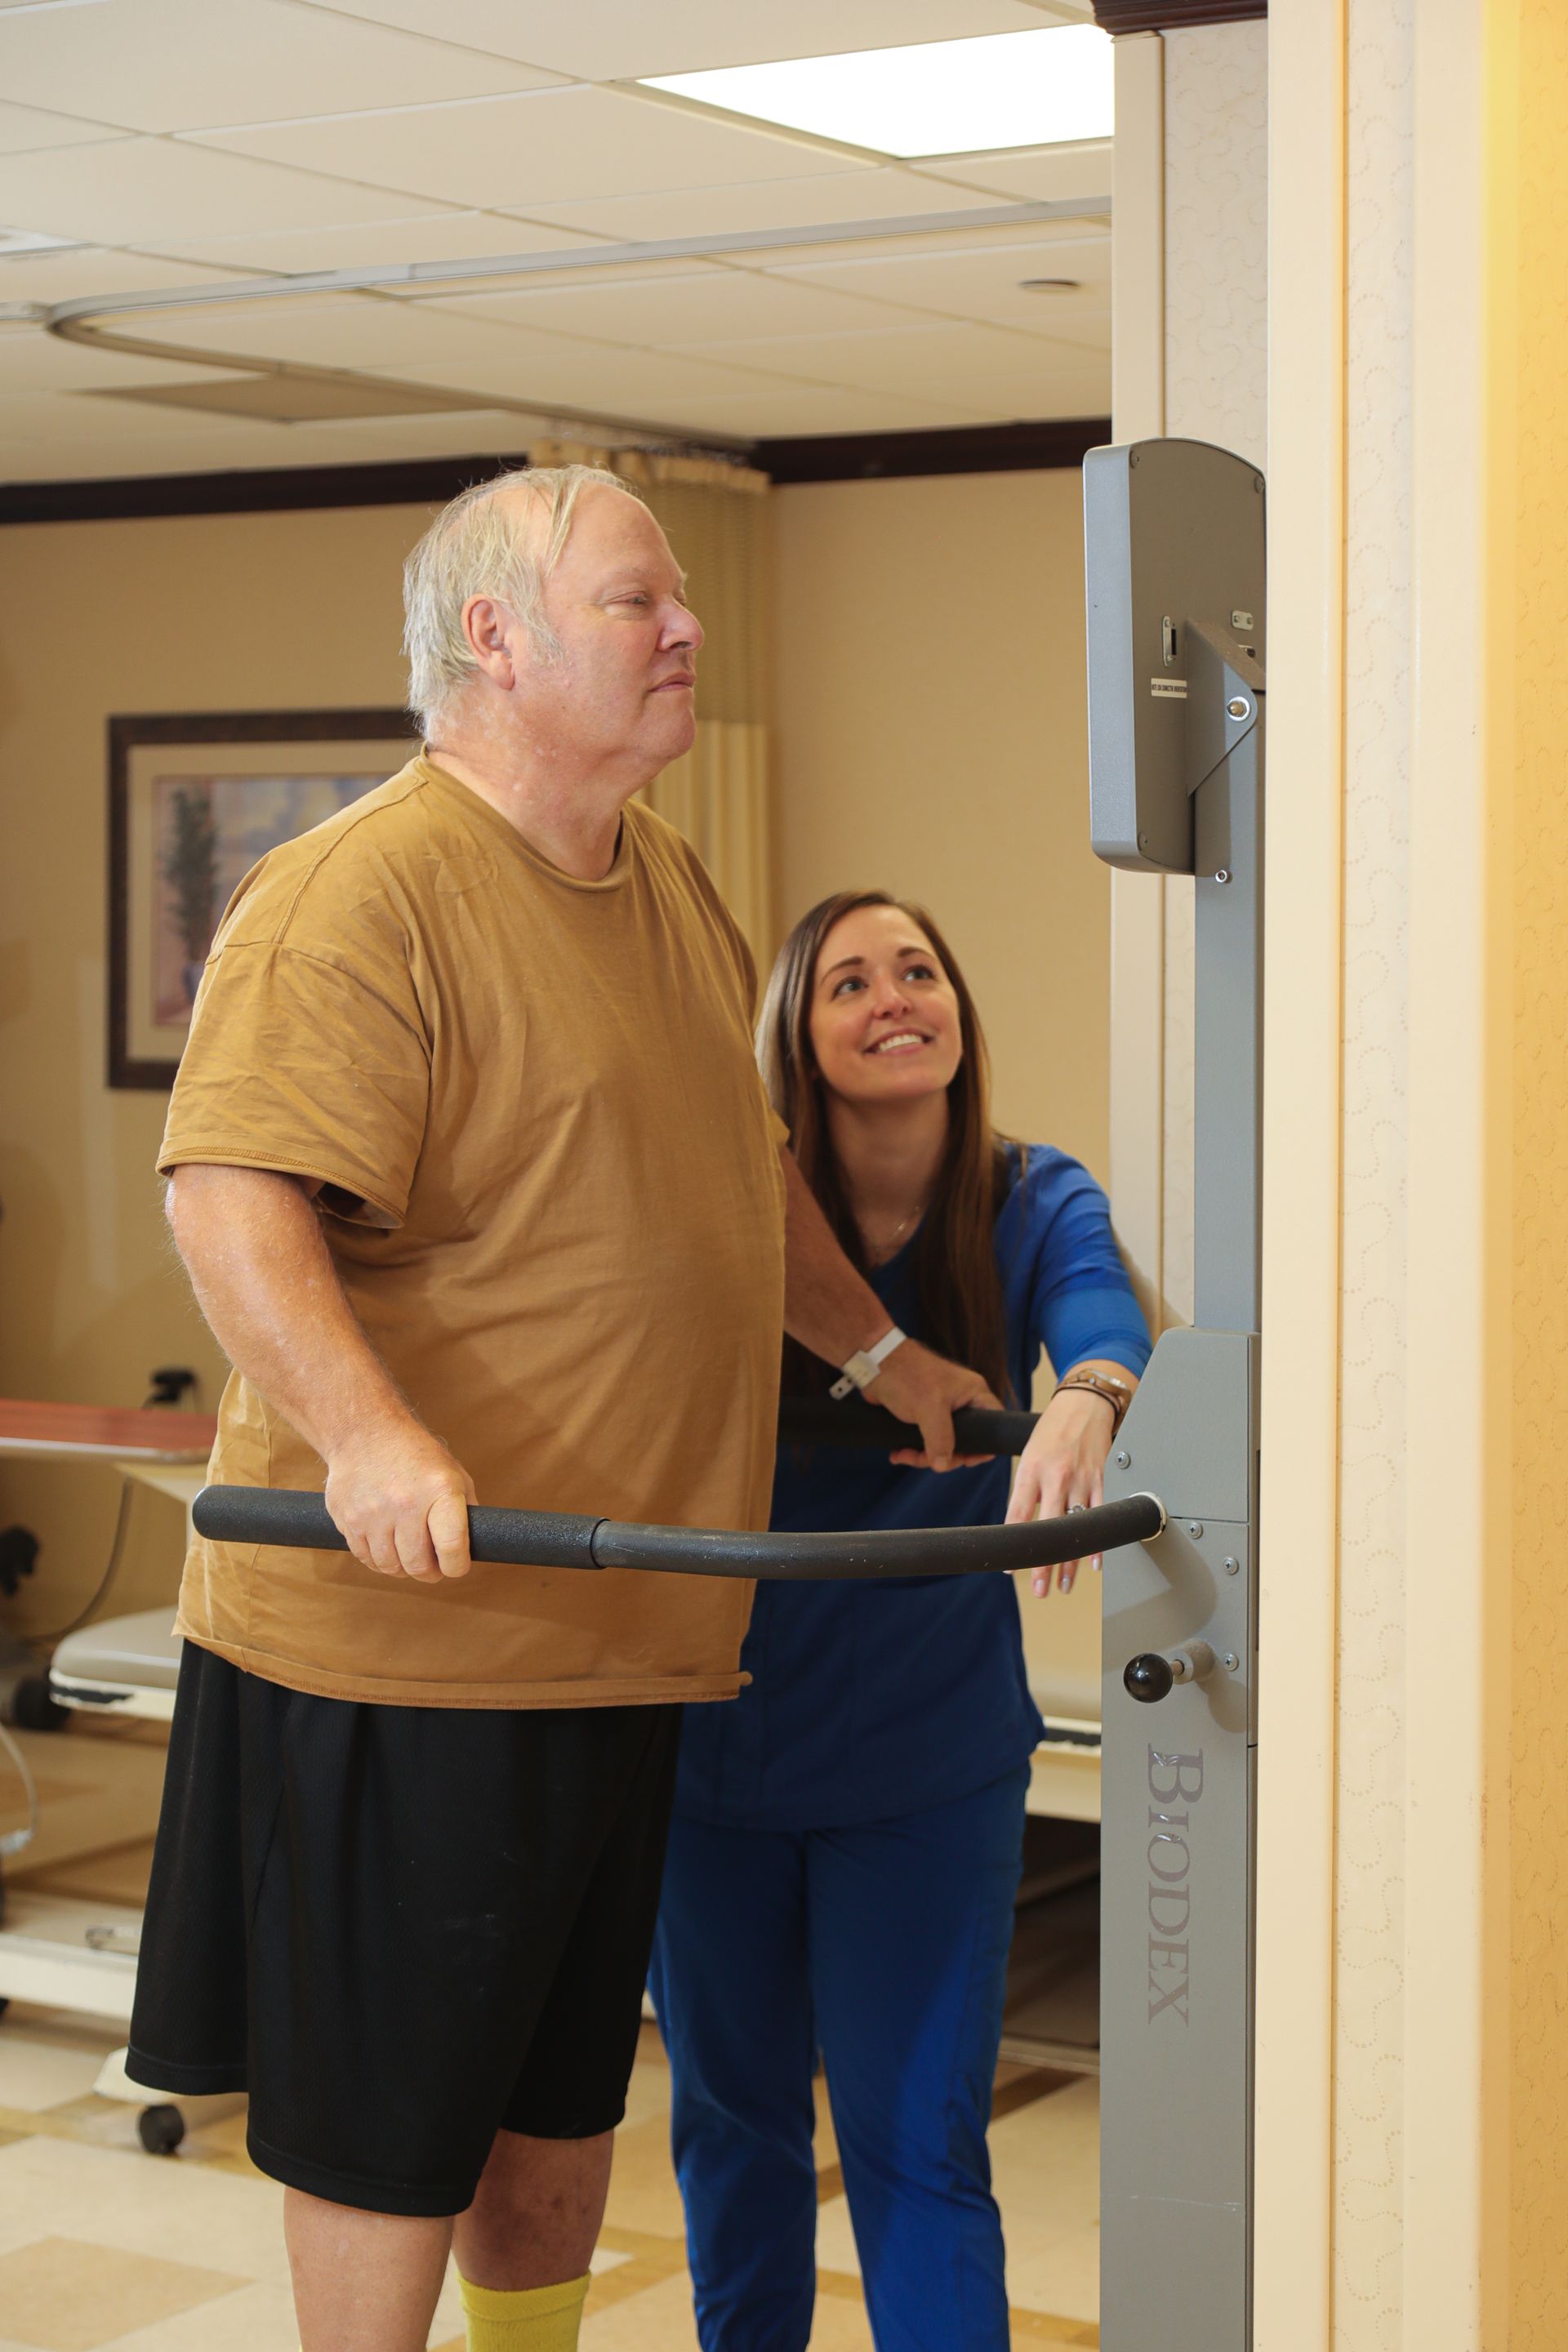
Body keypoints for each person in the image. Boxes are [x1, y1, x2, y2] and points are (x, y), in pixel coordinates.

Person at [126, 470, 993, 2352]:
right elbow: (230, 1188)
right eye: (635, 603)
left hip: (618, 1648)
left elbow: (735, 1169)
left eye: (682, 598)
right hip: (412, 1652)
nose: (685, 630)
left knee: (555, 2142)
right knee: (391, 2146)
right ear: (495, 640)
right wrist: (366, 1434)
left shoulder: (656, 869)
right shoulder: (364, 890)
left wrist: (876, 1357)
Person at [649, 890, 1152, 2352]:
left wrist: (1083, 1395)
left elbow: (1099, 1311)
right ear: (795, 1036)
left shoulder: (1027, 1192)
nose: (894, 999)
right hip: (712, 1743)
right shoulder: (733, 1206)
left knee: (917, 2140)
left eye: (918, 970)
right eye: (849, 982)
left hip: (926, 1760)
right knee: (732, 2133)